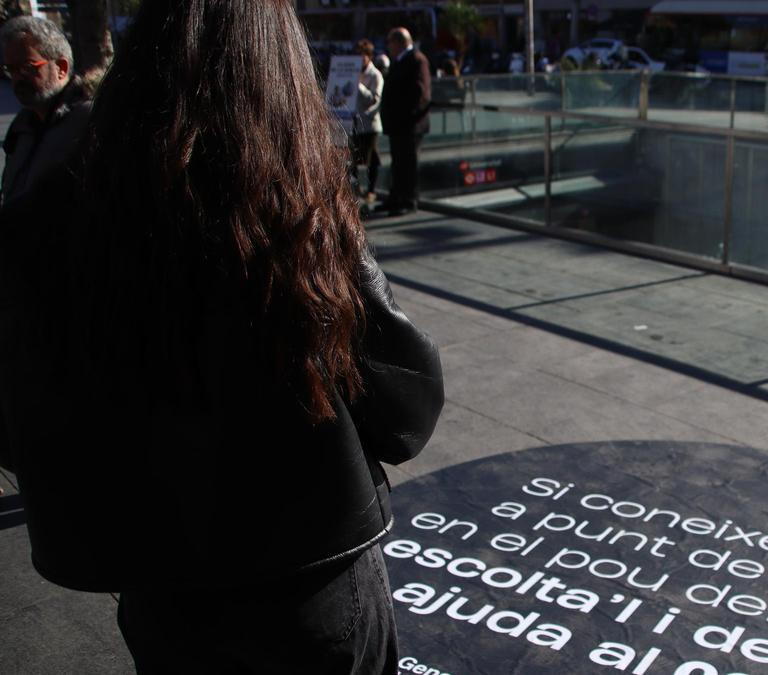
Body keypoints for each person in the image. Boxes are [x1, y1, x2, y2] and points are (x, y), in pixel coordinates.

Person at [0, 2, 443, 673]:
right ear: (281, 70)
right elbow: (406, 408)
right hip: (314, 577)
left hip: (163, 586)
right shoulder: (290, 204)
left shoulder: (50, 213)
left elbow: (21, 416)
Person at [0, 15, 90, 207]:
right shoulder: (21, 128)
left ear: (61, 68)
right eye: (11, 70)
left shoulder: (89, 122)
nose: (17, 79)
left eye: (27, 68)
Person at [377, 26, 431, 217]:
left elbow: (420, 93)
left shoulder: (416, 60)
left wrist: (406, 115)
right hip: (397, 125)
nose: (388, 46)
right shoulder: (398, 61)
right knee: (397, 163)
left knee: (408, 163)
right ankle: (396, 197)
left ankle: (408, 199)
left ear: (400, 42)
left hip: (409, 125)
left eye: (390, 42)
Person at [353, 38, 385, 204]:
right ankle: (356, 190)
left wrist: (358, 86)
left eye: (362, 55)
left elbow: (375, 100)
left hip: (370, 124)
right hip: (354, 124)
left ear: (369, 56)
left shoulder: (375, 75)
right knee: (355, 158)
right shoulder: (353, 71)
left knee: (371, 158)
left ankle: (371, 190)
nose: (359, 59)